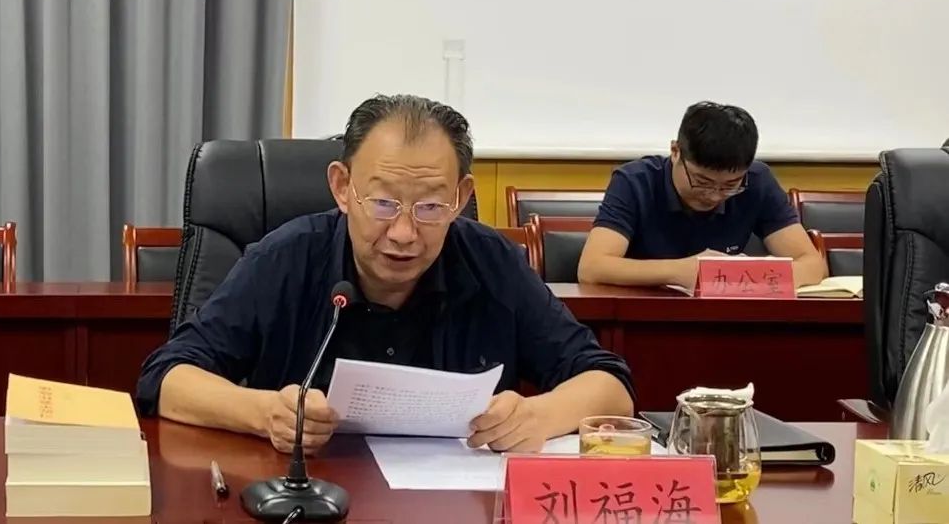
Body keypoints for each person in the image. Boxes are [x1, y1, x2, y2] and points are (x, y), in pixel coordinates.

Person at [137, 94, 634, 455]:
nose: (403, 233)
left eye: (431, 206)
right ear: (342, 187)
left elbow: (609, 384)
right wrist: (263, 413)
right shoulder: (285, 258)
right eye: (382, 203)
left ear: (460, 197)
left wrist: (538, 416)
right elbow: (167, 378)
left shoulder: (492, 263)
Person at [578, 101, 826, 290]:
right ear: (676, 151)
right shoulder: (635, 181)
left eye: (730, 185)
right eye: (702, 182)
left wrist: (741, 276)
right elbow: (592, 267)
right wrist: (683, 271)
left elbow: (813, 265)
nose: (714, 196)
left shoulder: (758, 181)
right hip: (645, 314)